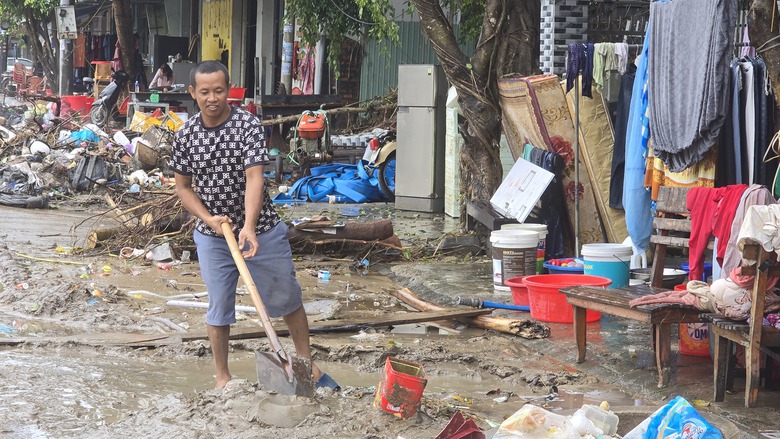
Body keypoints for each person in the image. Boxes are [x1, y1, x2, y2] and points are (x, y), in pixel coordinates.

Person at [171, 61, 339, 391]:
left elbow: (254, 178)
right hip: (212, 237)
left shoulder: (247, 125)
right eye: (204, 92)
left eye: (219, 91)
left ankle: (305, 363)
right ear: (193, 93)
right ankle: (222, 377)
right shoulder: (185, 136)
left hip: (261, 229)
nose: (212, 98)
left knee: (286, 297)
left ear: (229, 91)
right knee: (218, 307)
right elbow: (183, 187)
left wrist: (248, 226)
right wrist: (209, 220)